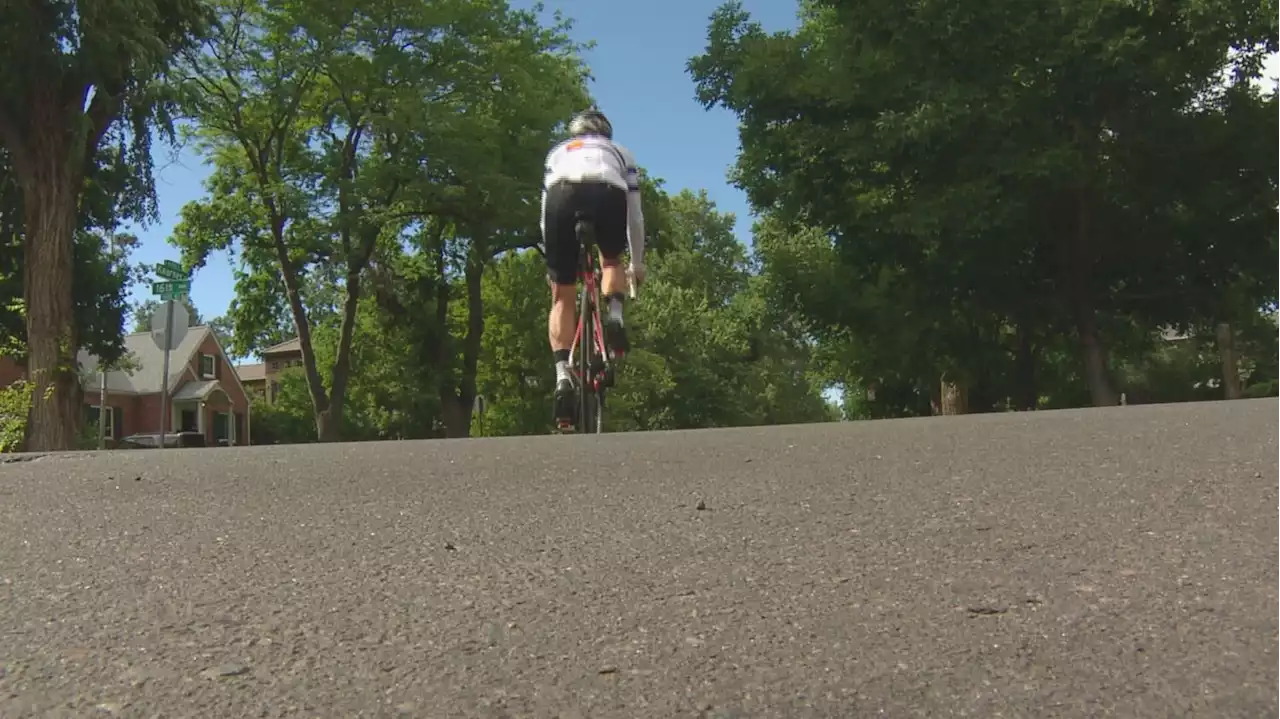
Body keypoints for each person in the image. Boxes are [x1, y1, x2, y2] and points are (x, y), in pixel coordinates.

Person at [539, 106, 647, 424]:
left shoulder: (557, 152)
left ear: (575, 133)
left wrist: (554, 260)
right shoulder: (620, 152)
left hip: (561, 194)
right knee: (611, 259)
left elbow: (544, 209)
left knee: (562, 296)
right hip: (607, 191)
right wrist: (637, 264)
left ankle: (562, 377)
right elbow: (635, 217)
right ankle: (614, 316)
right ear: (605, 134)